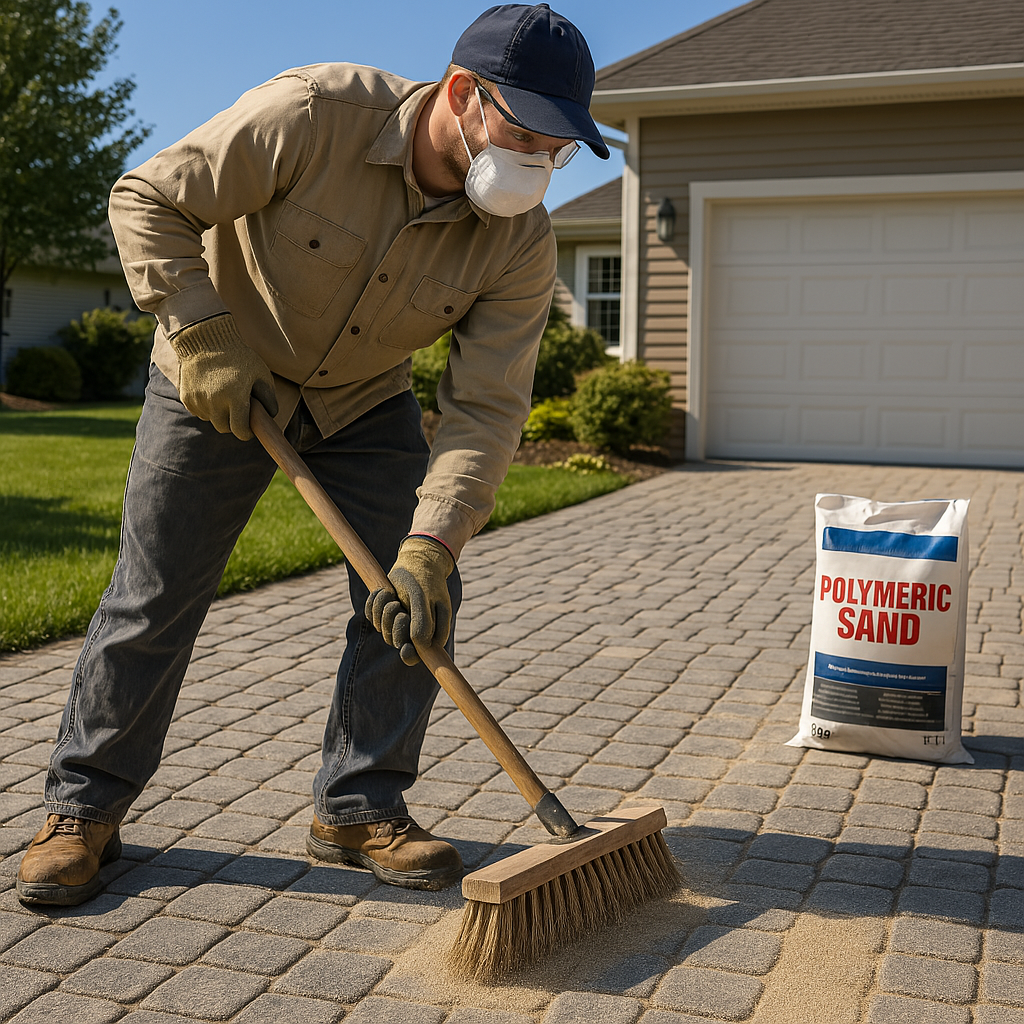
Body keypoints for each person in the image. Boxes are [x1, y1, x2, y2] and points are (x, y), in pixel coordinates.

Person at [16, 3, 609, 906]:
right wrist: (202, 330)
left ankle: (359, 806)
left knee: (415, 599)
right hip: (217, 373)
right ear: (462, 93)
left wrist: (435, 543)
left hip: (362, 399)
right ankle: (83, 807)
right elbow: (148, 197)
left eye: (556, 149)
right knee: (155, 596)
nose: (535, 163)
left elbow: (486, 409)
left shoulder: (518, 240)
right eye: (525, 133)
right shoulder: (313, 114)